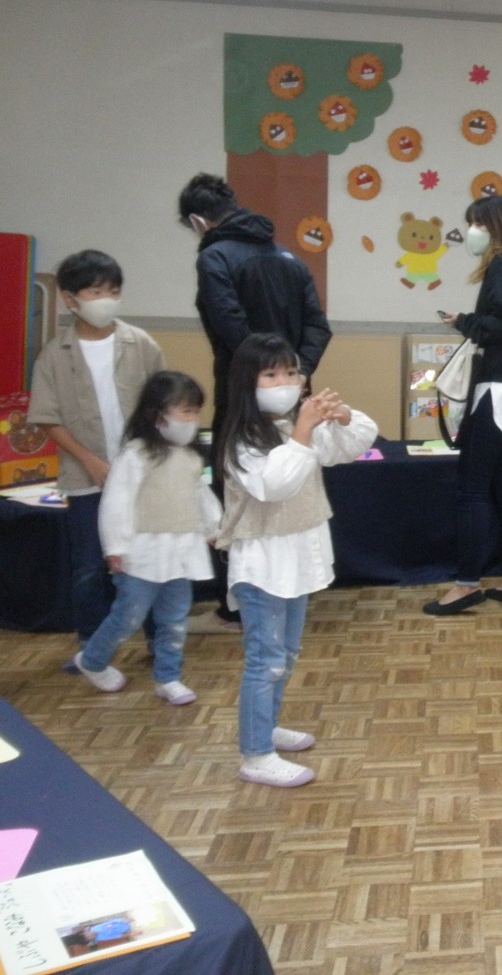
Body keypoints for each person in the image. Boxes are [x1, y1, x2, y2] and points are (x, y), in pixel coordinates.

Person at [215, 333, 375, 787]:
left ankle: (266, 726)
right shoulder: (241, 438)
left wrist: (343, 417)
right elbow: (275, 485)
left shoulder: (293, 427)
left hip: (296, 562)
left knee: (285, 654)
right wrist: (304, 431)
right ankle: (255, 754)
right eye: (271, 374)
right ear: (247, 382)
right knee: (264, 660)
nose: (285, 382)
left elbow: (350, 445)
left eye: (290, 373)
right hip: (263, 566)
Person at [178, 173, 332, 630]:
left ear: (198, 221)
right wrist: (293, 374)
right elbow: (318, 326)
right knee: (292, 478)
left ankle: (238, 606)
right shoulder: (288, 257)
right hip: (292, 396)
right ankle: (290, 587)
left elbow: (228, 321)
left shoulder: (214, 256)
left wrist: (260, 376)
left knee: (241, 491)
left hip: (242, 395)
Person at [27, 250, 164, 645]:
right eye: (96, 291)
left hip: (141, 475)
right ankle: (92, 643)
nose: (106, 299)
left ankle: (159, 641)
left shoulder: (141, 344)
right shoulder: (54, 355)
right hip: (85, 477)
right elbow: (47, 417)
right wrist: (89, 461)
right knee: (89, 563)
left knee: (150, 560)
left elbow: (163, 404)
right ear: (70, 299)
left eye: (114, 291)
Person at [425, 195, 502, 615]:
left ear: (495, 227)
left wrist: (466, 322)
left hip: (499, 390)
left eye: (478, 224)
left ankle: (466, 585)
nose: (472, 232)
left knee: (473, 489)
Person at [74, 371, 220, 704]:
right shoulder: (135, 455)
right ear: (157, 415)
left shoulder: (191, 457)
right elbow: (117, 502)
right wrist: (115, 547)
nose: (192, 420)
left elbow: (200, 495)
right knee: (128, 616)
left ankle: (168, 677)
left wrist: (213, 528)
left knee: (175, 620)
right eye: (185, 412)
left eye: (196, 412)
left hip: (180, 555)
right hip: (141, 555)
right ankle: (92, 660)